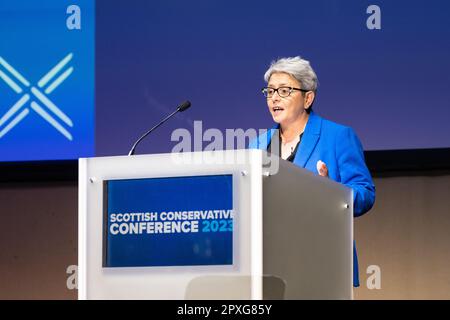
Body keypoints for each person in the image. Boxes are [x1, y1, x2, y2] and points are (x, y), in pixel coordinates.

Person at [249, 56, 375, 287]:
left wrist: (330, 192)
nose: (274, 97)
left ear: (308, 98)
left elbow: (365, 194)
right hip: (268, 263)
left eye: (285, 90)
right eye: (270, 91)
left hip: (321, 261)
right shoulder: (257, 146)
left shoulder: (338, 136)